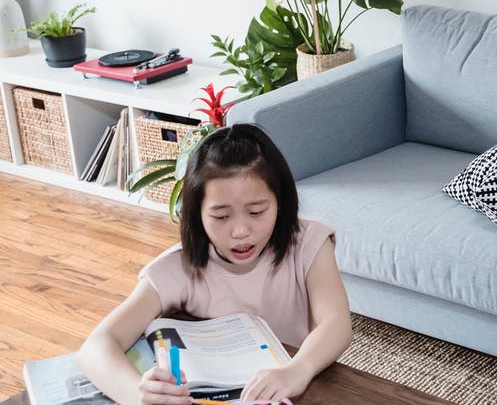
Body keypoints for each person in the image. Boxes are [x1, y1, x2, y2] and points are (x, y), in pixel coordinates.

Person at [76, 124, 353, 405]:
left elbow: (337, 322)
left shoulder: (308, 243)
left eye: (257, 212)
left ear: (280, 203)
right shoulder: (177, 269)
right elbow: (96, 347)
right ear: (197, 214)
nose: (240, 231)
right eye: (221, 217)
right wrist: (137, 394)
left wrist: (297, 370)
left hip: (296, 387)